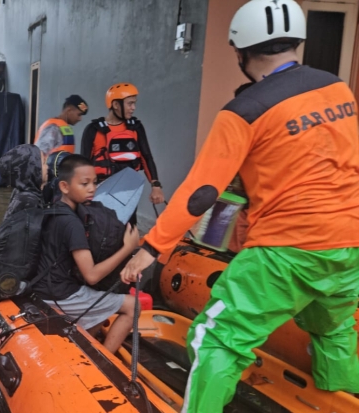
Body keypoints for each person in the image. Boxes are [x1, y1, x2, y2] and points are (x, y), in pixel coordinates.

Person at [121, 1, 359, 411]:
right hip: (348, 247)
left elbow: (201, 191)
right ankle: (336, 402)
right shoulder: (337, 88)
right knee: (333, 330)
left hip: (285, 252)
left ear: (240, 52)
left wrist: (151, 248)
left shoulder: (244, 110)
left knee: (214, 340)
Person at [32, 155, 140, 353]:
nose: (92, 188)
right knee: (133, 306)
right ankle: (104, 360)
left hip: (43, 287)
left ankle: (83, 346)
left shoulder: (54, 209)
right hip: (60, 295)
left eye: (95, 182)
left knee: (102, 300)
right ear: (64, 186)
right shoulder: (73, 223)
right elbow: (91, 276)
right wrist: (128, 247)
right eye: (84, 183)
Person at [80, 83, 165, 224]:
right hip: (101, 190)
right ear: (115, 105)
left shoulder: (136, 128)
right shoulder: (93, 130)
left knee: (128, 228)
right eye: (130, 103)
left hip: (128, 192)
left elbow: (146, 157)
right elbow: (83, 165)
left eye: (134, 103)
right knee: (101, 229)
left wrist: (156, 186)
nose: (134, 108)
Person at [0, 144, 48, 220]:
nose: (47, 167)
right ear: (32, 169)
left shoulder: (21, 192)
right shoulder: (29, 201)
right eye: (43, 163)